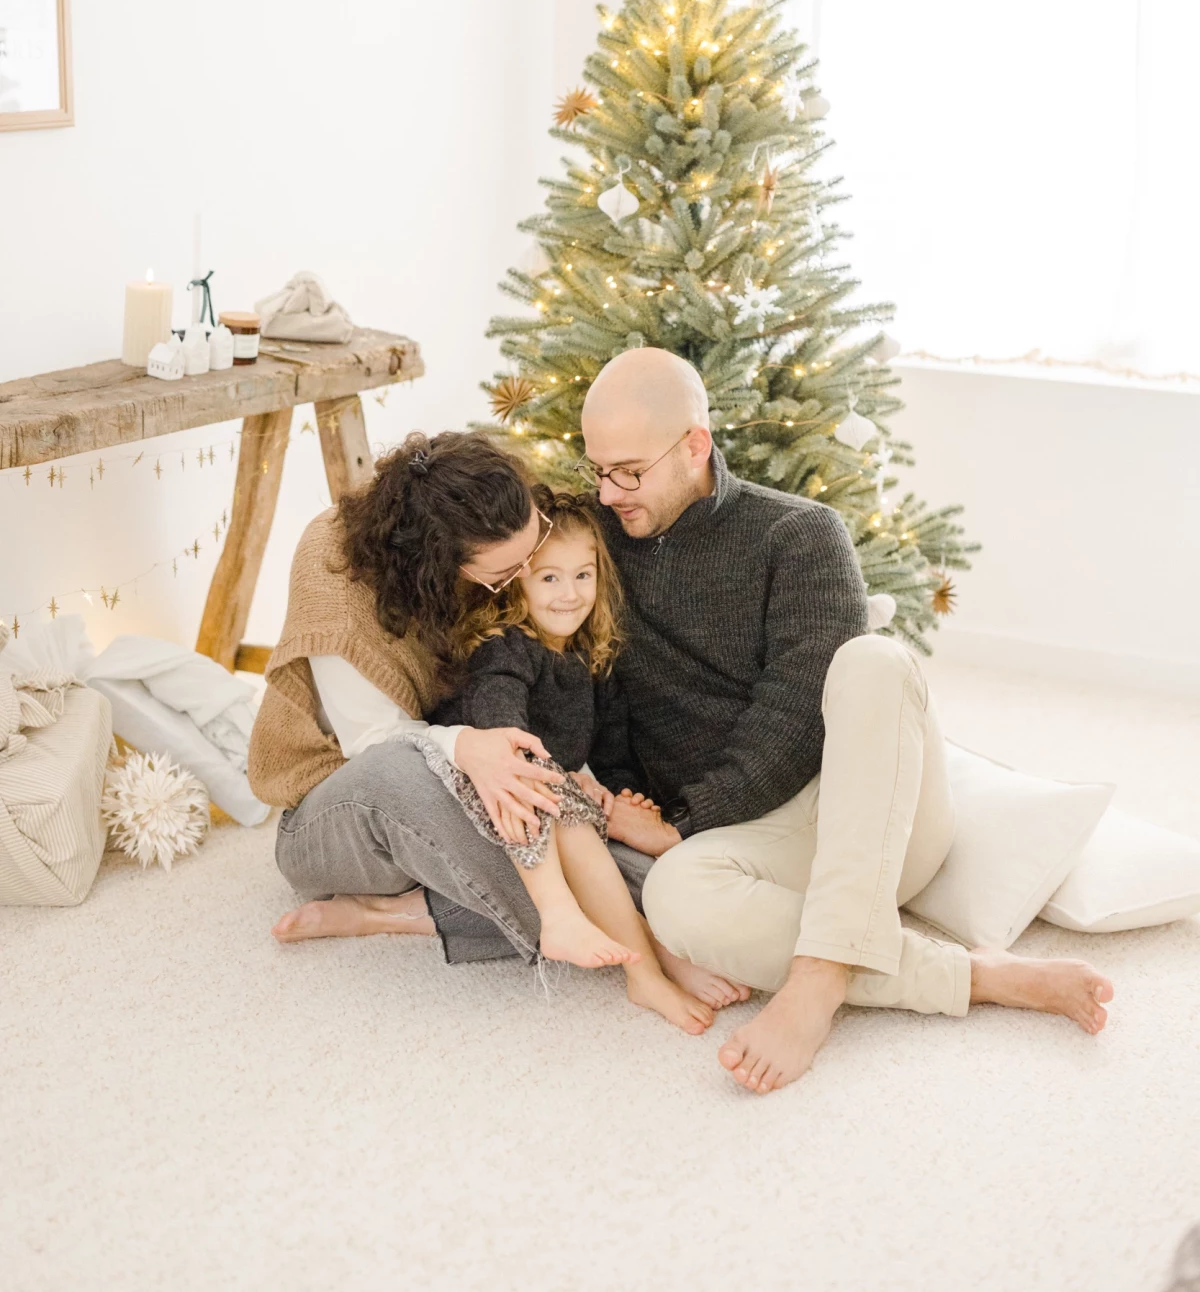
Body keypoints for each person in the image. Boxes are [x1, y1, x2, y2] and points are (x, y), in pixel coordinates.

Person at [577, 347, 1115, 1095]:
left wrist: (688, 818)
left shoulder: (800, 534)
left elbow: (798, 711)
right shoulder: (590, 547)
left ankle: (819, 980)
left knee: (873, 661)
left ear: (694, 444)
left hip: (869, 810)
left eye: (628, 472)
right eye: (594, 469)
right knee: (674, 896)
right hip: (755, 845)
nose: (608, 493)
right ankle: (980, 977)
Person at [250, 429, 743, 1013]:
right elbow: (372, 745)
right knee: (475, 790)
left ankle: (403, 916)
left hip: (457, 801)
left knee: (572, 821)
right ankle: (651, 942)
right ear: (440, 569)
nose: (530, 581)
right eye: (508, 576)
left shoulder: (484, 504)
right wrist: (470, 748)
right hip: (346, 810)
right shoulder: (332, 575)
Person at [410, 485, 713, 1033]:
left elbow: (609, 750)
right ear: (515, 582)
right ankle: (638, 968)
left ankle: (654, 950)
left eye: (583, 574)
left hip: (544, 802)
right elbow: (502, 729)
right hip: (479, 791)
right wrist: (566, 779)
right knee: (552, 792)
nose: (570, 594)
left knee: (620, 847)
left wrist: (615, 792)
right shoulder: (504, 646)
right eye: (549, 577)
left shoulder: (590, 657)